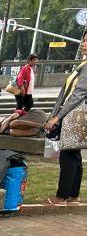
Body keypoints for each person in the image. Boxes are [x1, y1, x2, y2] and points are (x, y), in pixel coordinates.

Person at [45, 31, 87, 207]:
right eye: (84, 40)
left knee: (68, 155)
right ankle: (73, 196)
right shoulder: (83, 64)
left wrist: (57, 117)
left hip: (75, 115)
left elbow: (78, 94)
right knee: (74, 154)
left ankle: (62, 197)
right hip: (73, 114)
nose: (83, 44)